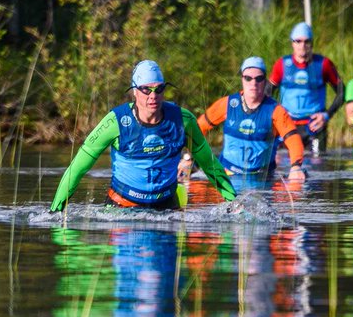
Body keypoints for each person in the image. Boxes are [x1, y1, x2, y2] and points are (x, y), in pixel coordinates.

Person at [49, 60, 237, 211]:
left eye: (159, 89)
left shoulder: (183, 120)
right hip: (122, 208)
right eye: (146, 89)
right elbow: (78, 168)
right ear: (134, 91)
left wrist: (233, 201)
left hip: (166, 208)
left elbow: (210, 165)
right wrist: (56, 210)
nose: (153, 96)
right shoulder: (114, 122)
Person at [197, 57, 307, 186]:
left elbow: (293, 139)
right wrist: (191, 158)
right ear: (242, 79)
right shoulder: (227, 104)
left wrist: (295, 167)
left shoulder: (276, 111)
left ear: (265, 81)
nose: (253, 83)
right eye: (248, 78)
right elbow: (198, 128)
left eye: (258, 79)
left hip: (263, 180)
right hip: (227, 176)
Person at [268, 22, 344, 154]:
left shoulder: (324, 64)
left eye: (306, 41)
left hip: (314, 126)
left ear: (312, 43)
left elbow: (342, 92)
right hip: (287, 125)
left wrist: (327, 115)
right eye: (298, 41)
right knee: (285, 168)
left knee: (318, 169)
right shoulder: (282, 64)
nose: (302, 45)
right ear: (292, 43)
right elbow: (266, 93)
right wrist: (274, 117)